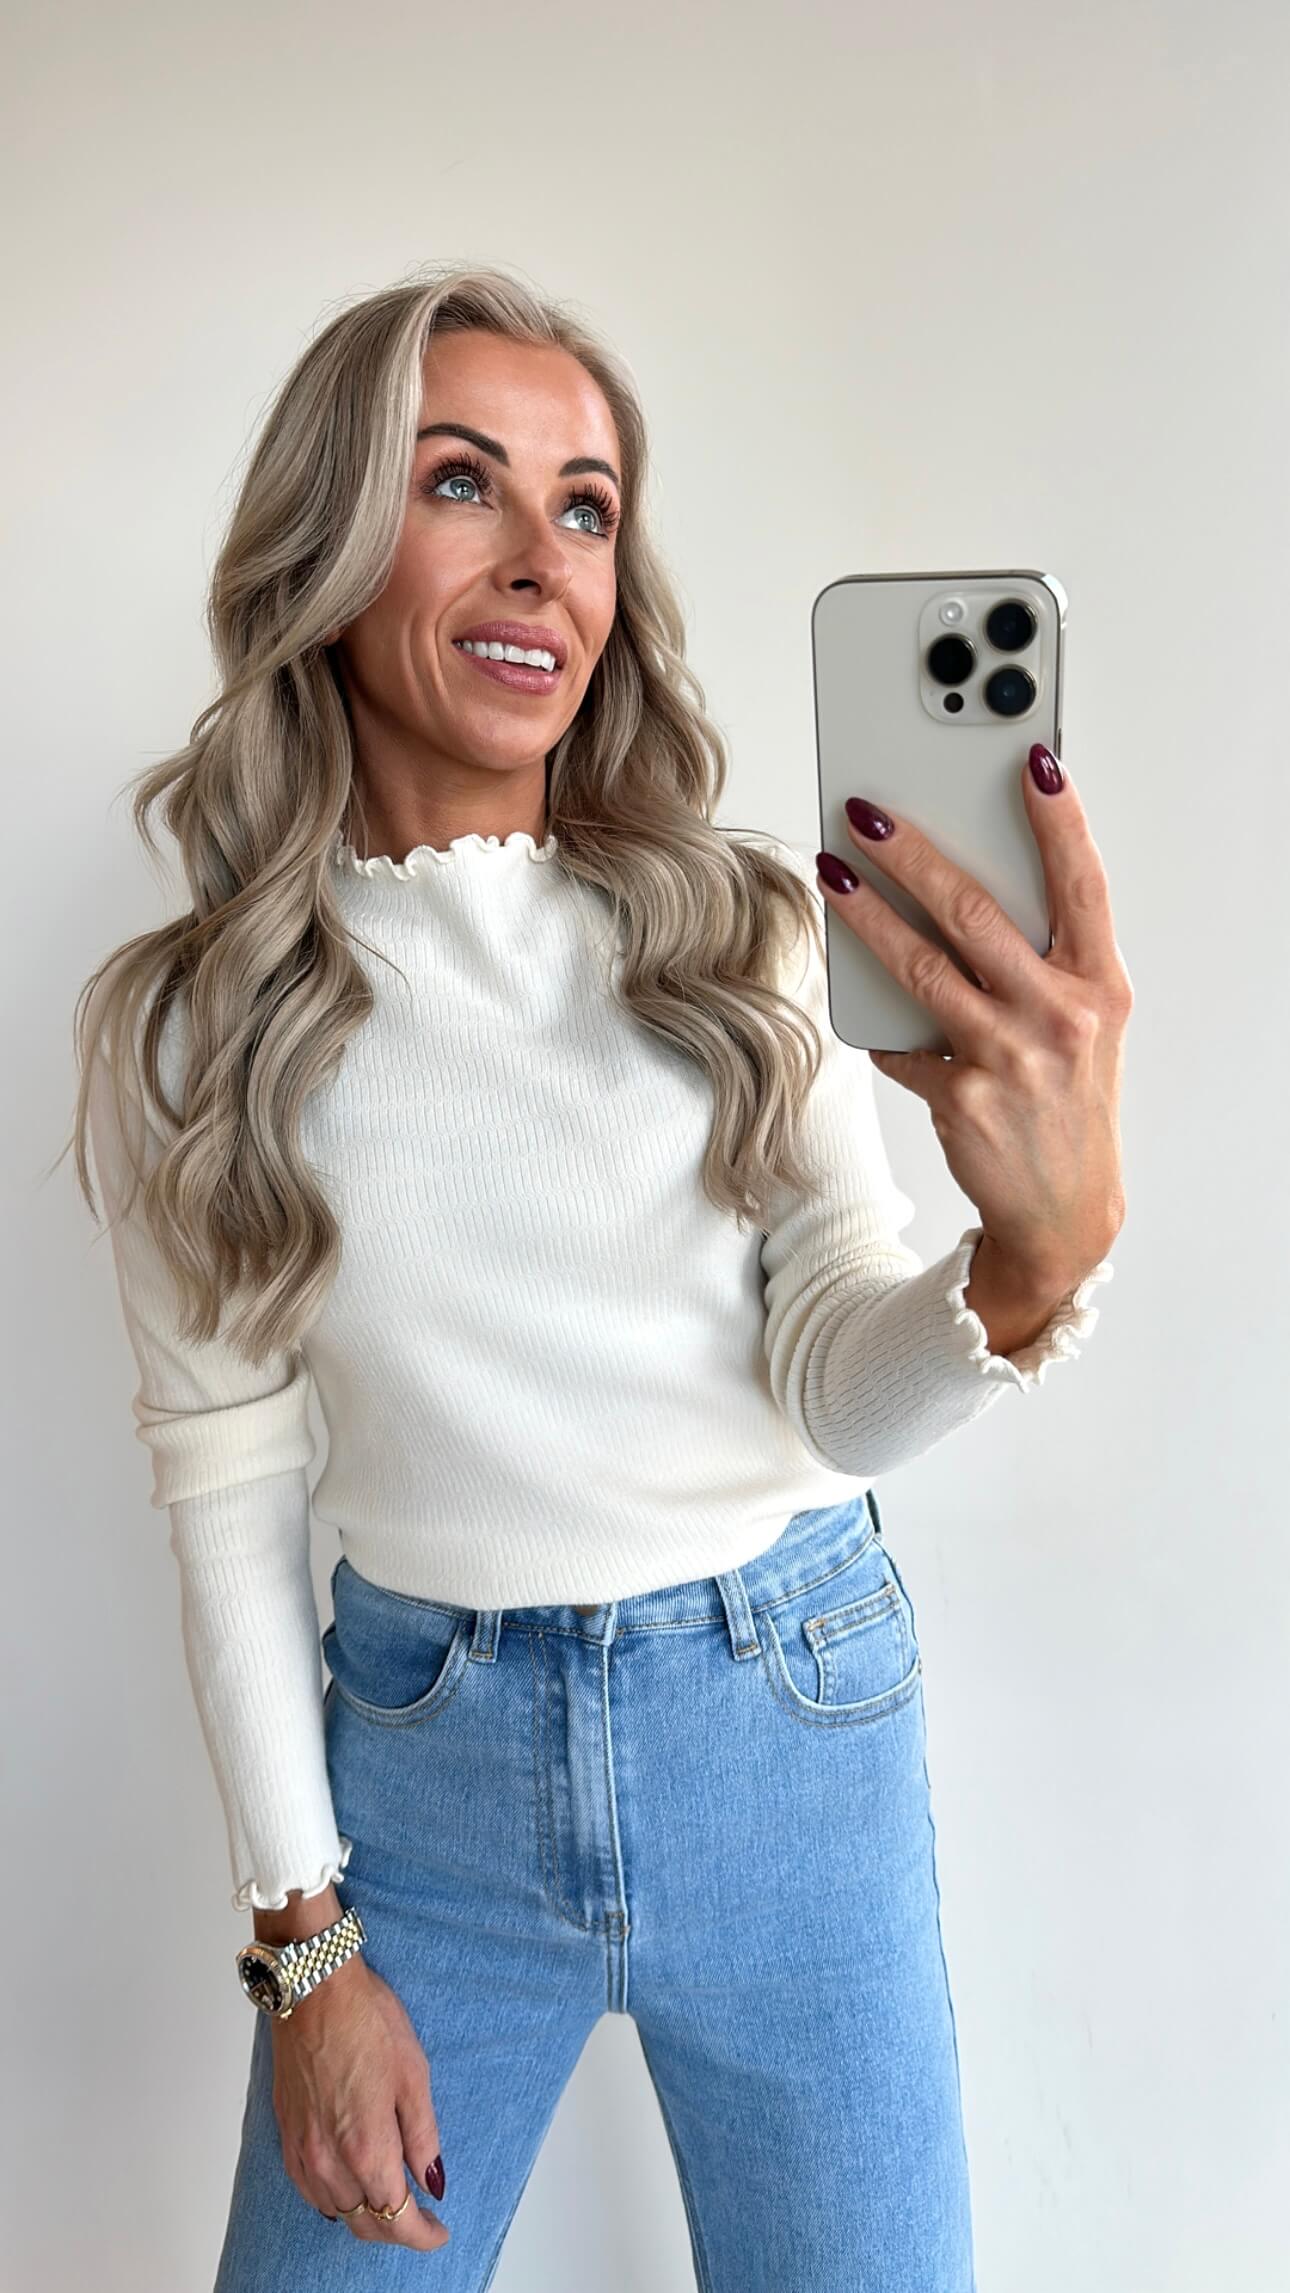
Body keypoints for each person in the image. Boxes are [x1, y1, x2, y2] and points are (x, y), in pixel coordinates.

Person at [72, 264, 1129, 2290]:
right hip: (426, 1783)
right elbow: (226, 1485)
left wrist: (1024, 1263)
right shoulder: (194, 1030)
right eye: (458, 479)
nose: (540, 558)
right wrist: (305, 1950)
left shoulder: (738, 929)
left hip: (787, 1723)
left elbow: (833, 1380)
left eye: (586, 506)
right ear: (327, 539)